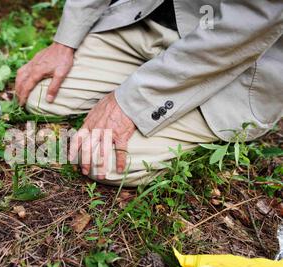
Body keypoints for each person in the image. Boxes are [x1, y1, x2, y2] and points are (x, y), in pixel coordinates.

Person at [15, 0, 283, 186]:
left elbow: (245, 27)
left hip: (233, 58)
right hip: (146, 21)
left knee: (103, 162)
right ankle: (148, 76)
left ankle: (205, 133)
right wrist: (65, 42)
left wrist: (132, 101)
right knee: (41, 96)